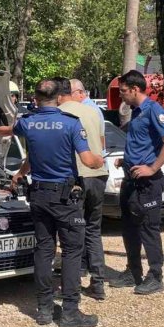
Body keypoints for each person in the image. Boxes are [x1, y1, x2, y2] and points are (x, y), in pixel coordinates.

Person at [0, 79, 104, 327]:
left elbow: (6, 130)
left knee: (44, 249)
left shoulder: (29, 122)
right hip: (65, 198)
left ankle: (44, 309)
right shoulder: (70, 123)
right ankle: (70, 312)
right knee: (72, 251)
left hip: (39, 196)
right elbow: (89, 160)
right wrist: (99, 160)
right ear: (59, 98)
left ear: (36, 98)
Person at [111, 70, 164, 295]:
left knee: (149, 228)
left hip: (148, 184)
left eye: (123, 91)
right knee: (129, 228)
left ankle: (156, 276)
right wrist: (126, 160)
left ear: (135, 89)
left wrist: (152, 168)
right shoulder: (136, 112)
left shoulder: (153, 110)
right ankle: (133, 271)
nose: (121, 95)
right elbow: (142, 143)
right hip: (131, 180)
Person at [54, 78, 108, 301]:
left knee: (72, 234)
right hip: (99, 174)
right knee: (93, 230)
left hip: (77, 177)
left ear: (59, 95)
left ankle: (72, 285)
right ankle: (98, 283)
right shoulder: (94, 112)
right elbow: (101, 144)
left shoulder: (61, 113)